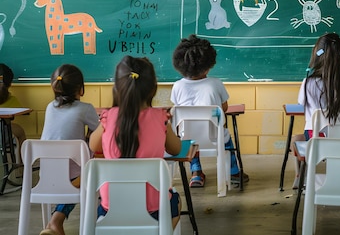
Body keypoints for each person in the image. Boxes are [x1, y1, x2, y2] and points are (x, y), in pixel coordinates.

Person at [89, 56, 182, 228]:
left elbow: (93, 146)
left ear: (116, 89)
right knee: (176, 200)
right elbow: (176, 149)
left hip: (110, 211)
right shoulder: (161, 117)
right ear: (153, 89)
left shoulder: (108, 117)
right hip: (155, 211)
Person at [171, 34, 247, 188]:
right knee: (226, 136)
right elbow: (223, 108)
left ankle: (196, 173)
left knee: (191, 135)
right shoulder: (215, 84)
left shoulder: (177, 86)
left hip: (187, 140)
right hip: (215, 138)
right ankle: (233, 172)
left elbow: (177, 110)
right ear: (208, 65)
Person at [291, 33, 340, 187]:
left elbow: (301, 104)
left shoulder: (308, 83)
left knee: (296, 139)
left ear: (316, 55)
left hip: (316, 140)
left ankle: (300, 178)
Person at [39, 64, 100, 235]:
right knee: (92, 174)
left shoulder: (50, 107)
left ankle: (53, 222)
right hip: (74, 177)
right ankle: (56, 221)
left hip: (46, 175)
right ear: (81, 89)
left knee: (77, 177)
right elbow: (101, 133)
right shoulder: (85, 109)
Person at [0, 63, 26, 162]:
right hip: (4, 135)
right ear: (10, 84)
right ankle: (23, 164)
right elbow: (21, 112)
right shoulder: (12, 99)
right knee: (20, 132)